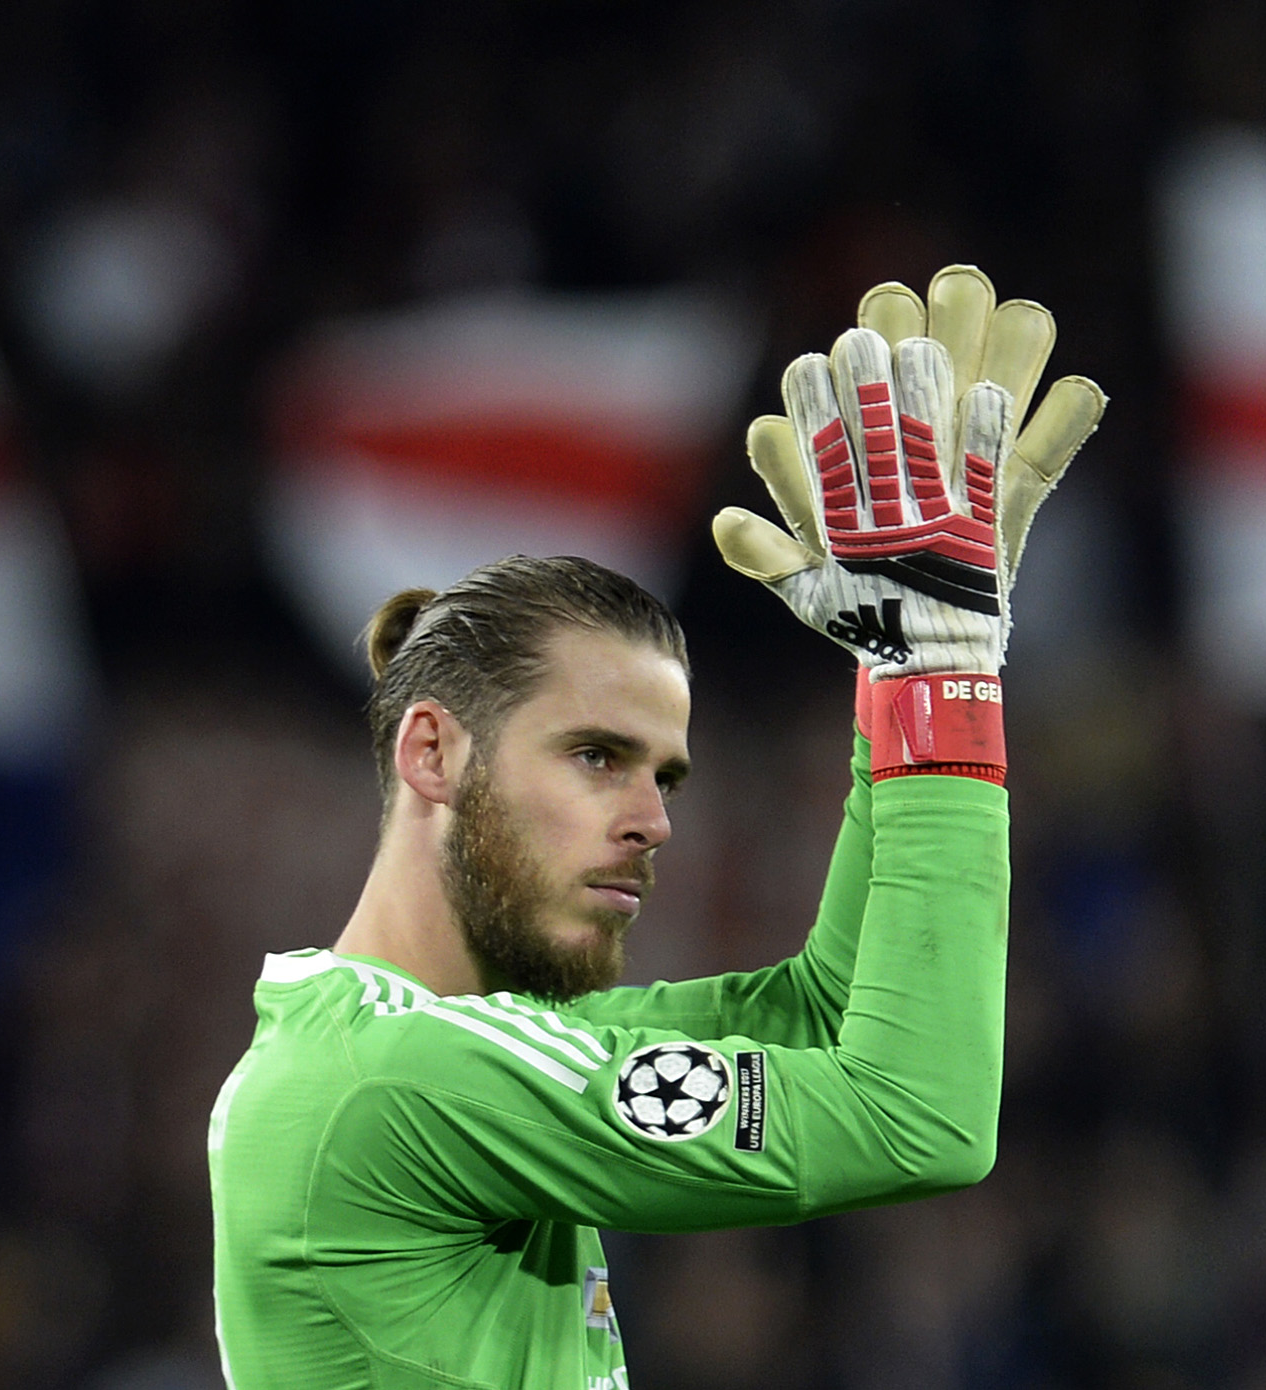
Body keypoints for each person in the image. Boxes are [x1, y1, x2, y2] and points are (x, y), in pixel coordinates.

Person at [207, 266, 1105, 1389]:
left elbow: (830, 1017)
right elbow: (915, 1117)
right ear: (432, 753)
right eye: (594, 758)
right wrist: (947, 675)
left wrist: (897, 672)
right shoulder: (399, 1080)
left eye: (663, 776)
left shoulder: (445, 1045)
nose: (652, 822)